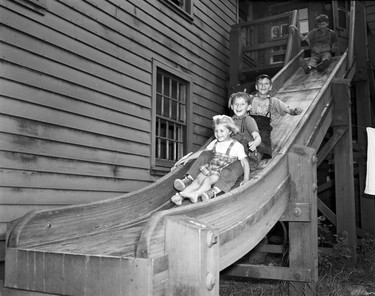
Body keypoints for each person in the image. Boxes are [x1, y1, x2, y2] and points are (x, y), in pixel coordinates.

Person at [172, 92, 261, 202]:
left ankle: (213, 191)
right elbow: (206, 150)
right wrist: (188, 158)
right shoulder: (227, 122)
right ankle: (187, 181)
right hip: (220, 158)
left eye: (242, 104)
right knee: (205, 155)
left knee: (228, 172)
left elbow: (257, 136)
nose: (238, 107)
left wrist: (255, 142)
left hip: (242, 156)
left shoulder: (248, 120)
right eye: (236, 104)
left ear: (249, 107)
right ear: (232, 106)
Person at [171, 115, 250, 205]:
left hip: (221, 171)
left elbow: (244, 162)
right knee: (197, 180)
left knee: (207, 181)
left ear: (230, 131)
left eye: (221, 131)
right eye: (216, 131)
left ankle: (195, 194)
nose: (218, 134)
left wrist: (246, 179)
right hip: (210, 167)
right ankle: (180, 197)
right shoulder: (215, 142)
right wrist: (189, 157)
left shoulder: (236, 146)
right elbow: (203, 152)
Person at [249, 74, 303, 161]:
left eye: (266, 84)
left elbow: (288, 110)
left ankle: (258, 155)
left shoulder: (273, 101)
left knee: (264, 137)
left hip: (263, 126)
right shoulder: (250, 98)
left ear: (270, 87)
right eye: (260, 84)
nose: (263, 86)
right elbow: (238, 99)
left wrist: (295, 111)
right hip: (250, 124)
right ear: (256, 86)